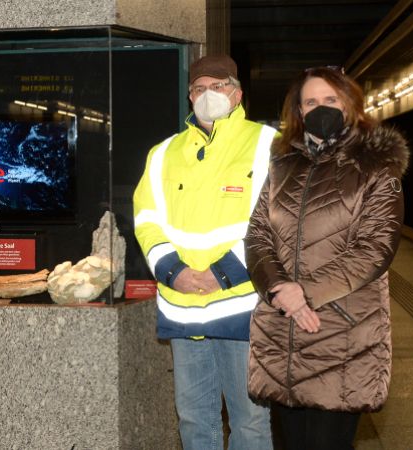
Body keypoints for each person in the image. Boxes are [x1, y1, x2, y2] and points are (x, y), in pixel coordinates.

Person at [245, 66, 408, 449]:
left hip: (340, 333)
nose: (321, 108)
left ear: (350, 105)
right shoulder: (282, 165)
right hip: (283, 332)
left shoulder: (375, 167)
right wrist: (280, 288)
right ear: (299, 113)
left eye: (330, 100)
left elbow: (375, 247)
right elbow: (257, 233)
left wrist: (305, 292)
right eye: (310, 102)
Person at [133, 54, 278, 450]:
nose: (208, 94)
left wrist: (222, 274)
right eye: (199, 88)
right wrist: (172, 270)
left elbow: (273, 220)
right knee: (195, 419)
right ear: (189, 97)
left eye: (219, 86)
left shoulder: (267, 144)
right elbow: (147, 218)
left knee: (249, 421)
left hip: (242, 308)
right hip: (183, 307)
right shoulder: (163, 153)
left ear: (237, 93)